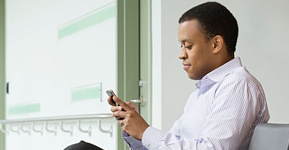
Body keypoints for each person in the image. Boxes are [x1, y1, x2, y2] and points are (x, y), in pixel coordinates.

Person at [109, 2, 269, 150]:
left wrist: (145, 132)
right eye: (181, 46)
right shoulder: (202, 91)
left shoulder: (238, 84)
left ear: (216, 44)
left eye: (188, 46)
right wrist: (135, 130)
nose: (181, 55)